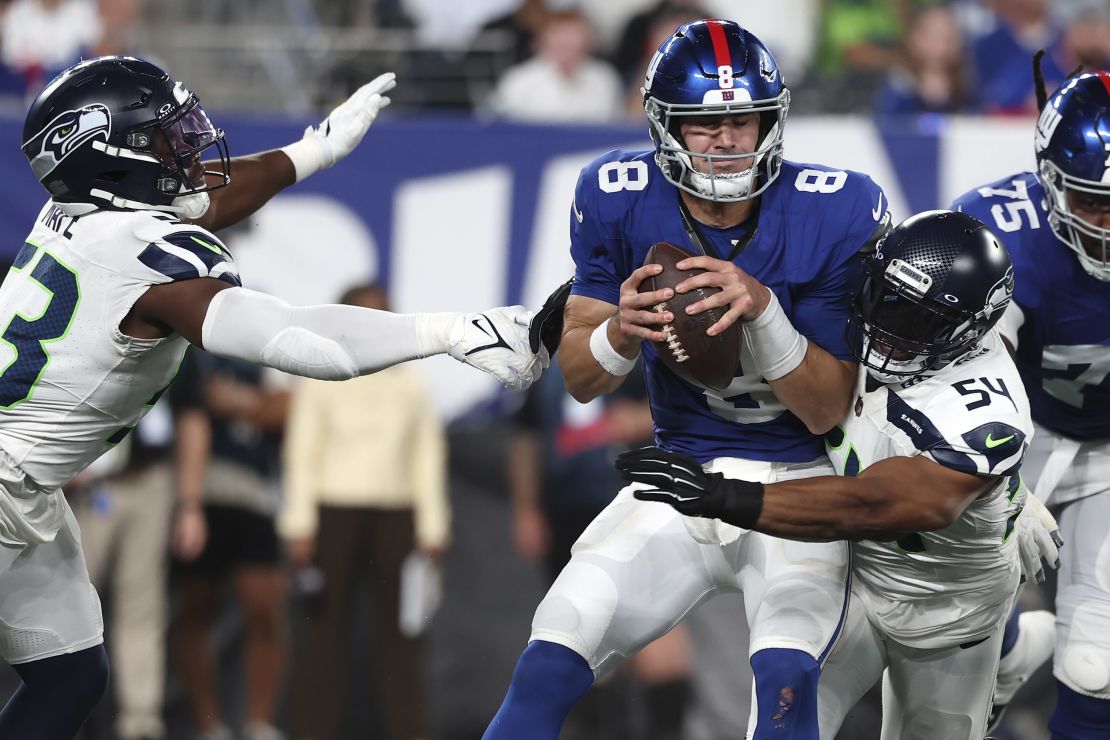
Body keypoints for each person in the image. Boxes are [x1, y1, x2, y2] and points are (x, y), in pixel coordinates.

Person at [0, 54, 545, 740]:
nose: (190, 144)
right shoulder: (152, 266)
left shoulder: (76, 211)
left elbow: (205, 200)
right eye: (165, 137)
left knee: (73, 675)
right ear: (113, 159)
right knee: (70, 677)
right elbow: (296, 338)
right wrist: (445, 331)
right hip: (7, 484)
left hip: (27, 485)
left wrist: (313, 151)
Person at [484, 19, 892, 740]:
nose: (728, 139)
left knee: (788, 683)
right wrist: (619, 330)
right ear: (662, 125)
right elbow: (579, 380)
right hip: (680, 474)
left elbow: (828, 408)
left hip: (797, 481)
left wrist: (762, 311)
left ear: (772, 118)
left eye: (743, 119)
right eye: (705, 124)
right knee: (554, 644)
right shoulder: (614, 191)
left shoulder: (837, 206)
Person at [616, 209, 1065, 740]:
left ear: (968, 334)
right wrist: (560, 319)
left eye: (917, 321)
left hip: (948, 613)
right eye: (885, 300)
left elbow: (874, 504)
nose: (889, 328)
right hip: (849, 579)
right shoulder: (855, 289)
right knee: (783, 718)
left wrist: (725, 496)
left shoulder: (985, 414)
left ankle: (1013, 645)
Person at [951, 68, 1110, 740]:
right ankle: (1009, 649)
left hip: (1108, 450)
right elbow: (964, 381)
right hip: (1015, 430)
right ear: (1050, 187)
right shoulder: (998, 229)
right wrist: (1005, 486)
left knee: (1096, 660)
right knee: (962, 646)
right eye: (1095, 203)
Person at [279, 282, 449, 740]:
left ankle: (409, 731)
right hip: (332, 515)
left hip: (397, 516)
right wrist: (298, 524)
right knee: (323, 635)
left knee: (403, 637)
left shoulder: (410, 382)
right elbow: (303, 450)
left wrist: (432, 527)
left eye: (384, 315)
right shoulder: (320, 373)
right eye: (367, 315)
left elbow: (425, 457)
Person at [173, 354, 291, 740]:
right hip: (201, 491)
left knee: (264, 607)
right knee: (197, 607)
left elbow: (287, 408)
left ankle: (259, 722)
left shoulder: (269, 353)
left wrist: (238, 402)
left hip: (256, 495)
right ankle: (209, 724)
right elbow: (196, 399)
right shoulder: (194, 349)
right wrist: (253, 405)